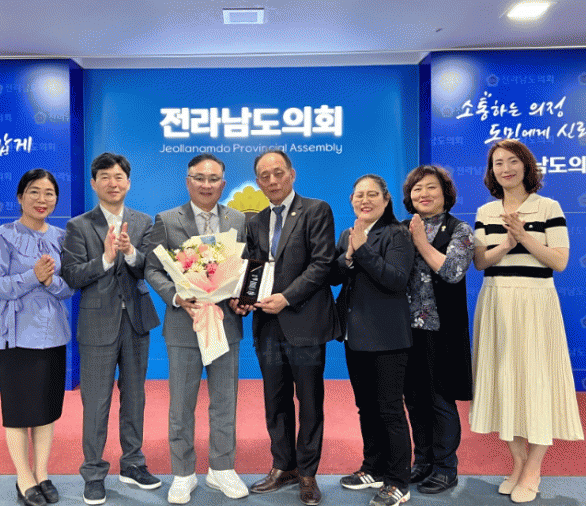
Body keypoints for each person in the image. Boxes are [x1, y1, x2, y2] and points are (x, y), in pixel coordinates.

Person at [470, 139, 584, 503]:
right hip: (496, 300)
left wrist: (523, 237)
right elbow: (480, 262)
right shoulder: (486, 211)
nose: (506, 168)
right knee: (504, 382)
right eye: (498, 163)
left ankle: (534, 467)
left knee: (537, 383)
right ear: (491, 172)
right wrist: (506, 244)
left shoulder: (548, 207)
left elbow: (559, 261)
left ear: (526, 165)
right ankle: (518, 462)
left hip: (536, 301)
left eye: (512, 161)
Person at [145, 153, 248, 504]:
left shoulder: (238, 219)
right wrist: (175, 296)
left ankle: (222, 469)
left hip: (224, 323)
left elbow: (244, 267)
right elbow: (152, 268)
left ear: (223, 183)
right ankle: (183, 473)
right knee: (181, 404)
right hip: (183, 325)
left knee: (225, 401)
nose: (206, 184)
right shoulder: (166, 219)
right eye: (199, 178)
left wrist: (240, 296)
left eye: (213, 178)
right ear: (188, 182)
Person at [61, 153, 161, 505]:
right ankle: (93, 472)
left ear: (128, 182)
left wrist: (131, 252)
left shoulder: (144, 221)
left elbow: (150, 268)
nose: (112, 183)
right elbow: (72, 276)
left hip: (136, 322)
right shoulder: (78, 226)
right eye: (105, 177)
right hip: (96, 325)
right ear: (94, 183)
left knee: (135, 398)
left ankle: (133, 463)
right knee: (96, 402)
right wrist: (104, 259)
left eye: (118, 177)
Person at [243, 150, 338, 506]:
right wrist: (243, 299)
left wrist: (286, 297)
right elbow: (252, 269)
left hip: (305, 323)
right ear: (258, 182)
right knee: (275, 400)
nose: (272, 180)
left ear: (292, 174)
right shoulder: (255, 221)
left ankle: (308, 473)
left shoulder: (316, 210)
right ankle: (283, 466)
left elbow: (322, 264)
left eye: (278, 172)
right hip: (267, 326)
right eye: (264, 175)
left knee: (310, 401)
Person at [0, 169, 74, 506]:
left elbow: (69, 287)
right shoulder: (3, 236)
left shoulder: (62, 237)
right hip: (17, 336)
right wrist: (32, 276)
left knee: (46, 409)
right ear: (20, 197)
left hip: (54, 334)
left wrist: (50, 282)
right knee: (19, 412)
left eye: (49, 193)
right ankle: (24, 477)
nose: (42, 199)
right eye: (34, 192)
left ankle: (42, 473)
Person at [332, 174, 414, 506]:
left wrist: (362, 250)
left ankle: (398, 481)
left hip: (388, 338)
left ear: (386, 199)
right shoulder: (348, 235)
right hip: (355, 336)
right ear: (351, 200)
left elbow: (395, 280)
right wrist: (349, 255)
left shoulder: (397, 234)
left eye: (372, 194)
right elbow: (334, 275)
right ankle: (374, 468)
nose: (364, 200)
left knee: (390, 410)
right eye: (359, 195)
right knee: (366, 408)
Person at [401, 166, 474, 494]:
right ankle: (422, 460)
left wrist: (420, 241)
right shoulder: (401, 227)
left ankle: (446, 467)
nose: (423, 194)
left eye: (431, 187)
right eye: (417, 189)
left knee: (439, 399)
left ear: (445, 193)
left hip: (440, 329)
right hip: (404, 330)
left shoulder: (460, 229)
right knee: (414, 399)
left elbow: (452, 271)